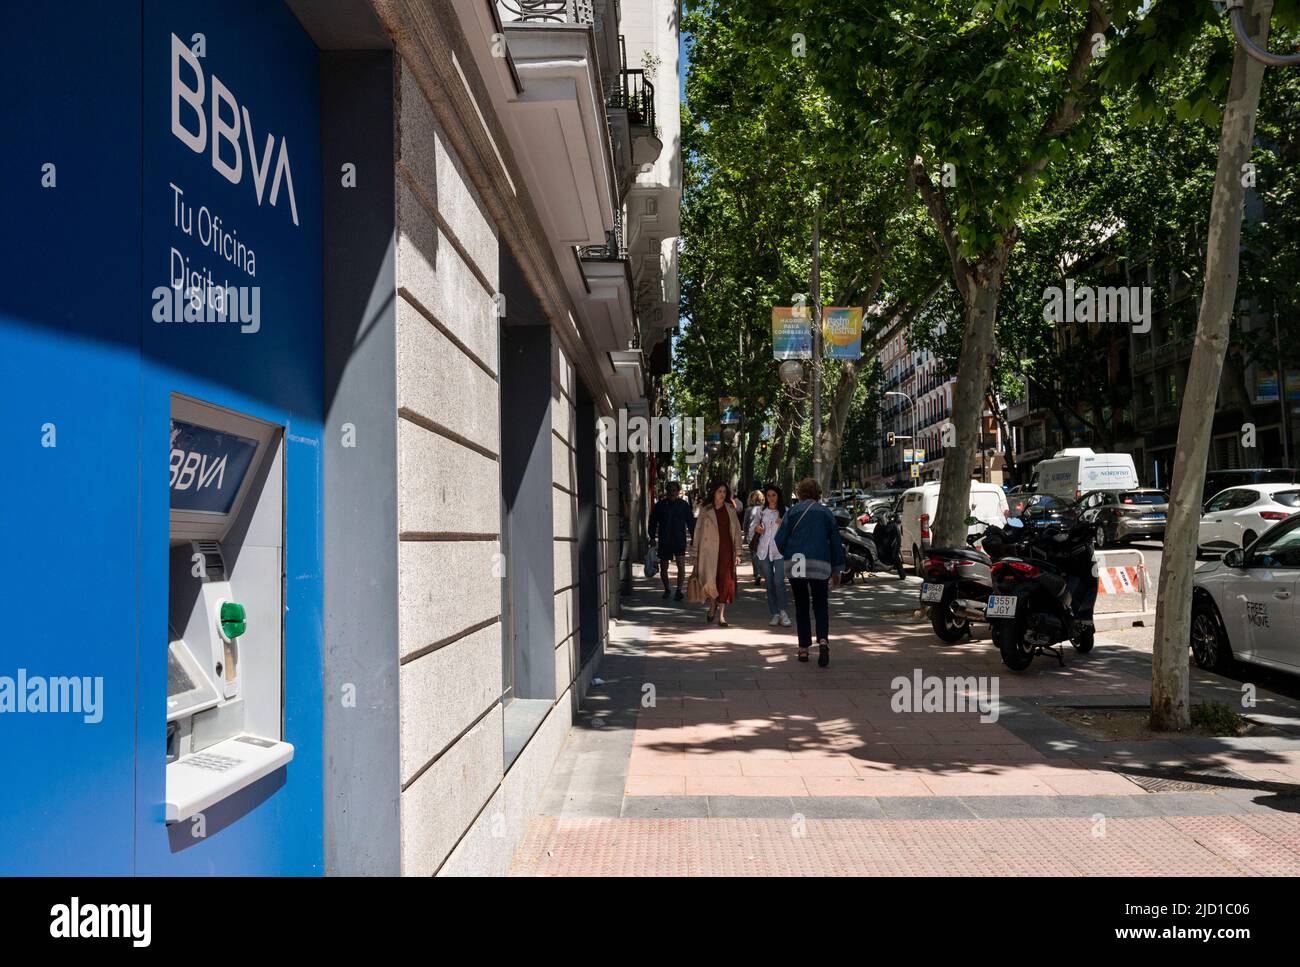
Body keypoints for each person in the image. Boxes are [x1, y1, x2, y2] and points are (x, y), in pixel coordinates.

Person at [774, 477, 845, 667]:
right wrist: (837, 569)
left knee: (801, 605)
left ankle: (803, 648)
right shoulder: (826, 513)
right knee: (821, 604)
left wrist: (787, 552)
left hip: (797, 563)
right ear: (818, 494)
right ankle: (823, 641)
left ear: (800, 493)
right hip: (820, 563)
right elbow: (836, 543)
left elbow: (779, 540)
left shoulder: (793, 512)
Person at [691, 480, 742, 627]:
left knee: (725, 581)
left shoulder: (730, 509)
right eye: (719, 491)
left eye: (724, 492)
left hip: (726, 550)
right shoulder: (705, 510)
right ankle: (712, 604)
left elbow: (737, 531)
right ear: (714, 492)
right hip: (709, 552)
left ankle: (721, 616)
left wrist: (738, 552)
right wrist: (695, 552)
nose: (722, 494)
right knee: (710, 580)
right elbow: (698, 531)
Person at [747, 484, 790, 627]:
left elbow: (791, 532)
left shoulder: (785, 512)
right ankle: (775, 613)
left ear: (778, 496)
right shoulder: (760, 511)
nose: (771, 498)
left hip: (779, 552)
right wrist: (757, 529)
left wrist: (783, 524)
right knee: (770, 583)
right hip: (763, 551)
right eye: (769, 495)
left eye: (774, 495)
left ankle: (783, 612)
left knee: (779, 581)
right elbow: (751, 530)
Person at [648, 481, 695, 600]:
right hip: (665, 539)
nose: (672, 492)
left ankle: (679, 590)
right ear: (666, 491)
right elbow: (653, 521)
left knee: (681, 564)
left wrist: (694, 536)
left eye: (674, 490)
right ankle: (667, 589)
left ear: (678, 491)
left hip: (679, 539)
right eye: (670, 490)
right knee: (664, 566)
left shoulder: (684, 505)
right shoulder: (660, 505)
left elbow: (690, 522)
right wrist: (652, 536)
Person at [742, 490, 765, 585]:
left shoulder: (748, 510)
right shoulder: (765, 509)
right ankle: (765, 572)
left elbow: (745, 524)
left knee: (754, 554)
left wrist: (745, 534)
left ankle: (757, 573)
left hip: (752, 535)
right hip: (763, 534)